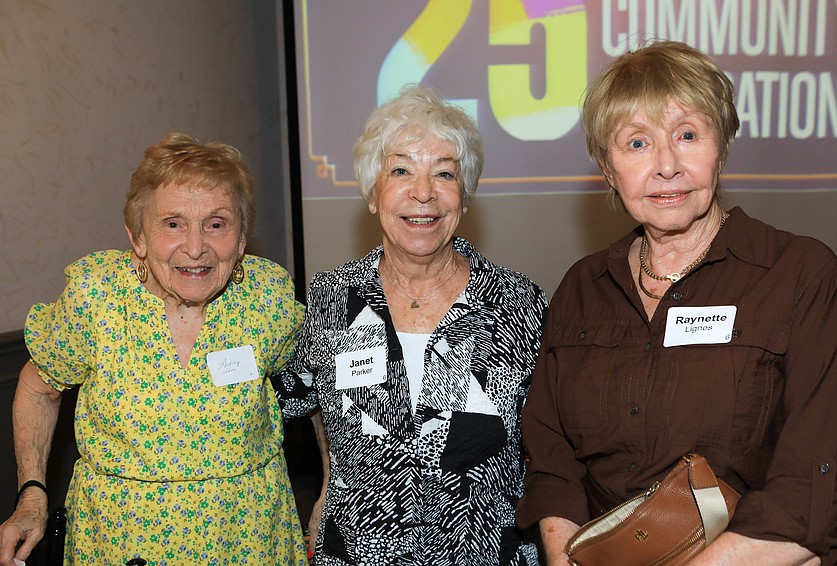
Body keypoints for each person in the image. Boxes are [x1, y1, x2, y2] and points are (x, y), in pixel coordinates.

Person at [516, 40, 837, 565]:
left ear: (722, 147)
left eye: (688, 135)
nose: (666, 165)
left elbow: (814, 481)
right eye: (637, 143)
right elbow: (552, 459)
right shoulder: (582, 287)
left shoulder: (802, 276)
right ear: (608, 168)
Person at [0, 133, 309, 565]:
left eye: (217, 224)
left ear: (241, 240)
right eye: (172, 224)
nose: (196, 247)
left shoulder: (267, 300)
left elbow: (317, 389)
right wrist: (31, 493)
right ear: (138, 237)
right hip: (119, 542)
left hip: (247, 538)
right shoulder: (97, 299)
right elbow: (37, 388)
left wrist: (330, 490)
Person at [273, 85, 547, 565]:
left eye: (444, 173)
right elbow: (314, 395)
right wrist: (327, 481)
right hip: (358, 550)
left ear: (464, 198)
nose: (423, 193)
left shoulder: (518, 304)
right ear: (374, 193)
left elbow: (550, 439)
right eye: (401, 170)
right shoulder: (332, 299)